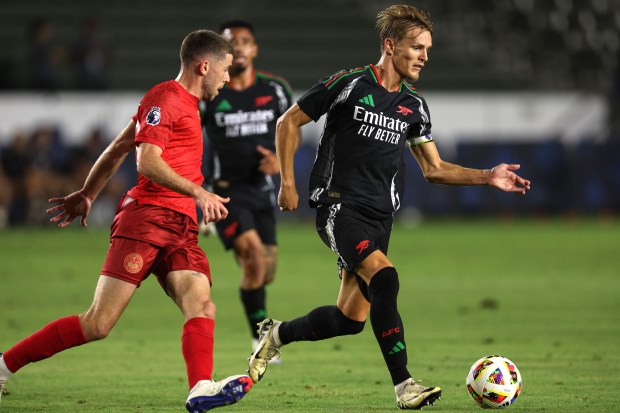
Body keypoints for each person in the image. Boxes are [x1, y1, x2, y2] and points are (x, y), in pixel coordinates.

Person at [248, 5, 531, 410]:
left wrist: (488, 176)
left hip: (381, 216)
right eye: (416, 47)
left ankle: (275, 335)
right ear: (389, 45)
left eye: (428, 49)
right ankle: (404, 386)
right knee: (386, 278)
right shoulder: (349, 83)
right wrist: (287, 183)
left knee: (350, 320)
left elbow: (434, 169)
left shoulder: (414, 105)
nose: (424, 56)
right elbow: (287, 123)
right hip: (338, 206)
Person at [0, 29, 253, 413]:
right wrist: (198, 193)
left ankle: (200, 387)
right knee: (98, 324)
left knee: (201, 305)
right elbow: (145, 160)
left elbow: (120, 145)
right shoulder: (165, 98)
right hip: (147, 220)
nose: (227, 78)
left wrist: (87, 193)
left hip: (180, 228)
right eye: (225, 69)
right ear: (205, 66)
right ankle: (3, 366)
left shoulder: (184, 104)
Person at [199, 20, 295, 350]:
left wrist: (281, 164)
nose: (238, 47)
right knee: (254, 259)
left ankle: (262, 332)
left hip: (263, 190)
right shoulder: (209, 91)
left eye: (245, 41)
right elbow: (185, 134)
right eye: (230, 43)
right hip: (224, 191)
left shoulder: (276, 90)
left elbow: (291, 131)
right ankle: (263, 340)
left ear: (255, 49)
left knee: (264, 272)